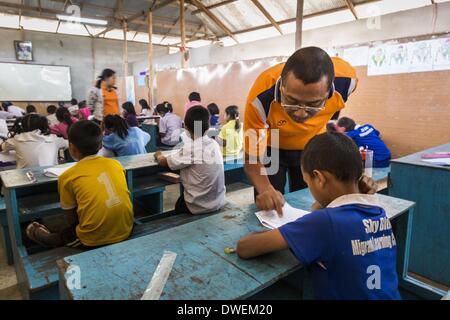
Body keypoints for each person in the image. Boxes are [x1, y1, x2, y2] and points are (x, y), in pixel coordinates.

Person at [237, 132, 401, 300]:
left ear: (319, 178)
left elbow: (245, 247)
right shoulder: (378, 213)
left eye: (308, 182)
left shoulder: (324, 223)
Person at [243, 47, 374, 215]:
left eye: (313, 104)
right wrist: (264, 188)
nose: (300, 113)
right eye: (291, 100)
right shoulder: (260, 97)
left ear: (330, 92)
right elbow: (251, 157)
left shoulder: (347, 82)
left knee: (310, 201)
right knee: (270, 204)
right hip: (273, 142)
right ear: (281, 86)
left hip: (312, 143)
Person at [25, 120, 133, 248]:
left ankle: (45, 237)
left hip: (94, 238)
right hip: (126, 227)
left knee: (66, 236)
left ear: (71, 147)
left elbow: (71, 217)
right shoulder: (116, 165)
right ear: (100, 145)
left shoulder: (67, 176)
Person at [155, 106, 226, 215]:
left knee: (179, 205)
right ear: (208, 127)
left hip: (198, 205)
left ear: (186, 128)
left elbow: (164, 162)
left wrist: (158, 154)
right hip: (218, 201)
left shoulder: (192, 148)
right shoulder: (213, 144)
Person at [0, 114, 68, 169]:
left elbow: (1, 147)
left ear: (23, 126)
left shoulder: (17, 139)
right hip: (51, 179)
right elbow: (69, 144)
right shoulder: (54, 139)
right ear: (44, 125)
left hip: (24, 181)